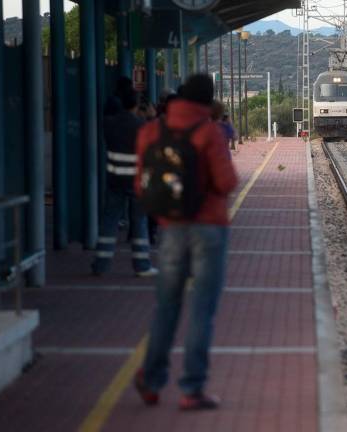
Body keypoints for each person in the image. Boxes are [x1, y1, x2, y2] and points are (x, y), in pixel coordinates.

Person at [134, 74, 238, 410]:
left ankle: (150, 380)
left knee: (166, 306)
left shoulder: (152, 130)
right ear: (207, 102)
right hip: (209, 230)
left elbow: (142, 185)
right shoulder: (208, 132)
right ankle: (191, 389)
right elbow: (226, 182)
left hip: (171, 230)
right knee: (201, 311)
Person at [90, 87, 158, 277]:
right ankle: (142, 266)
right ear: (136, 104)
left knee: (109, 222)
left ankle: (101, 264)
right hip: (137, 182)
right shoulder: (142, 126)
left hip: (115, 180)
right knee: (139, 223)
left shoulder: (109, 124)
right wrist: (152, 117)